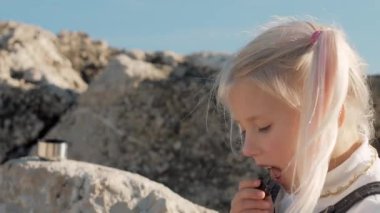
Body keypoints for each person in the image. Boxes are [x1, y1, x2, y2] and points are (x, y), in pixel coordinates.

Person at [216, 18, 380, 212]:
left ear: (329, 116)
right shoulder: (278, 194)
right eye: (243, 131)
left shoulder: (370, 206)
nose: (247, 149)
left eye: (263, 127)